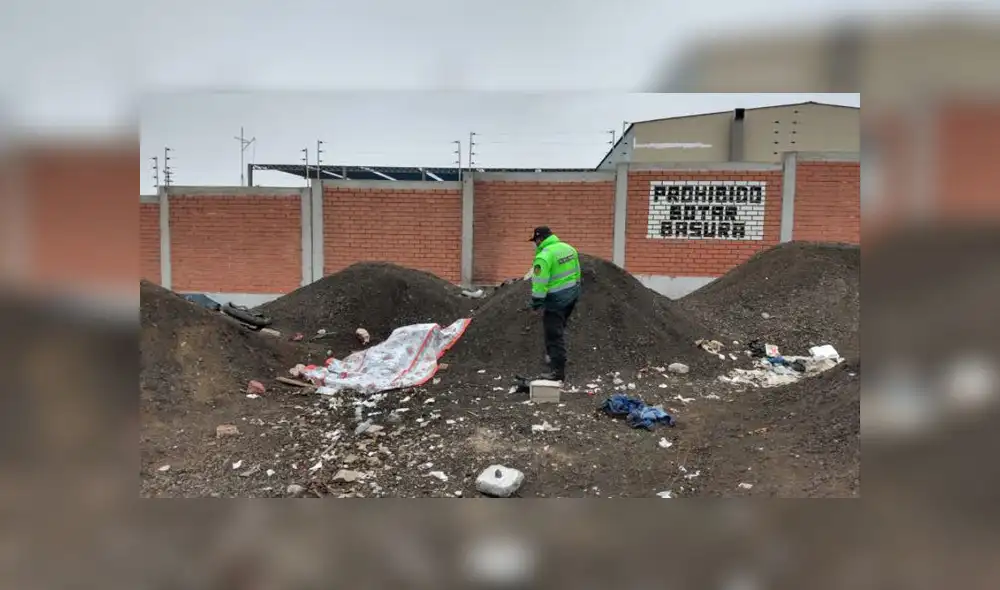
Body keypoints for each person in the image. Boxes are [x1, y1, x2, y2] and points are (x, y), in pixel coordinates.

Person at [527, 226, 582, 382]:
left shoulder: (544, 257)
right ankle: (552, 357)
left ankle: (557, 372)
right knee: (559, 328)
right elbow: (577, 273)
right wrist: (575, 291)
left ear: (539, 239)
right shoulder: (569, 248)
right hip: (571, 296)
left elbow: (539, 282)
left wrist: (537, 302)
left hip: (555, 301)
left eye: (535, 241)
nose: (535, 244)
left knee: (553, 336)